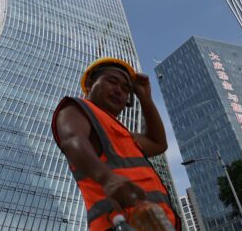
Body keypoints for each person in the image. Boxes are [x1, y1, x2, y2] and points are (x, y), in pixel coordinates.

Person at [51, 57, 181, 231]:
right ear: (90, 83)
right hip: (120, 224)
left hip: (158, 224)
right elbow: (72, 139)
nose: (119, 91)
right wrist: (107, 178)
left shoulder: (123, 135)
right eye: (112, 81)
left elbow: (158, 143)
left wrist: (145, 97)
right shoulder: (77, 108)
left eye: (126, 89)